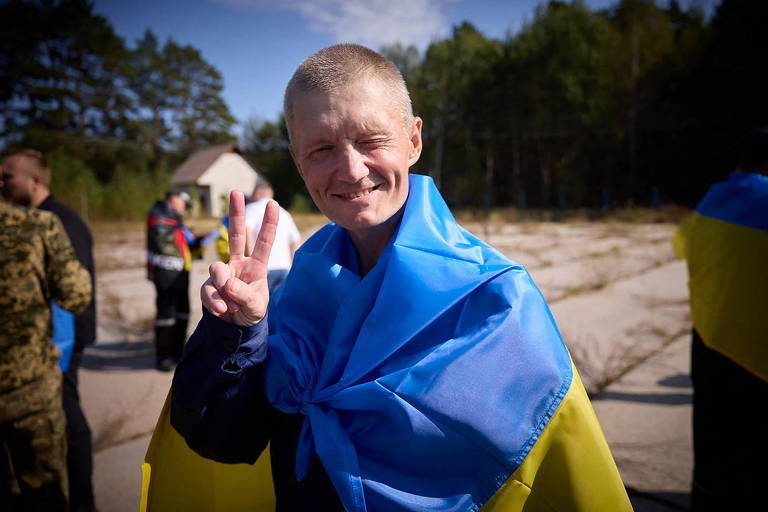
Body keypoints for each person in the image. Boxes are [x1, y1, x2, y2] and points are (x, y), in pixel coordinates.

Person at [145, 44, 631, 511]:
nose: (351, 170)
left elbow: (553, 478)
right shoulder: (293, 295)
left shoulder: (496, 301)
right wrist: (239, 330)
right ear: (297, 160)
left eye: (372, 140)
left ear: (413, 140)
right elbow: (222, 437)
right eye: (321, 149)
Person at [673, 128, 768, 512]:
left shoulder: (712, 199)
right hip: (758, 353)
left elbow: (681, 245)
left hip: (709, 345)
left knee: (714, 444)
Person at [1, 148, 98, 512]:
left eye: (7, 176)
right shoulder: (37, 220)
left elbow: (76, 297)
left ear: (34, 179)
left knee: (71, 428)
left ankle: (83, 502)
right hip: (42, 360)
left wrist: (63, 349)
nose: (1, 183)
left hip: (60, 349)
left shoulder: (58, 222)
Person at [146, 189, 201, 372]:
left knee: (182, 314)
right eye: (184, 203)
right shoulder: (159, 214)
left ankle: (178, 353)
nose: (185, 208)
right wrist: (184, 236)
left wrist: (196, 242)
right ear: (174, 199)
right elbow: (164, 242)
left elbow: (181, 242)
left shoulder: (175, 218)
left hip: (180, 273)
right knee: (166, 317)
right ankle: (164, 358)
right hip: (166, 275)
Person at [244, 181, 301, 293]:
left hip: (262, 269)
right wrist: (293, 268)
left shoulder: (251, 209)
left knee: (260, 308)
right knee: (278, 307)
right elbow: (296, 240)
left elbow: (247, 231)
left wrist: (250, 259)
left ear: (257, 193)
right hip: (283, 268)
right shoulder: (284, 213)